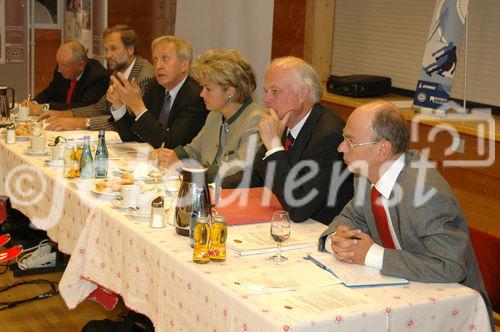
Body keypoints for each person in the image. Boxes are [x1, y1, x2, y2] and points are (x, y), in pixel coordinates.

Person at [318, 100, 493, 330]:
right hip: (399, 291)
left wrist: (373, 255)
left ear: (383, 150)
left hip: (450, 307)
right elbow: (350, 216)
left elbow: (451, 266)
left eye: (351, 141)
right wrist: (336, 240)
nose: (341, 147)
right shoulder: (365, 173)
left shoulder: (425, 193)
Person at [225, 56, 353, 225]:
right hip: (286, 220)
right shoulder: (285, 120)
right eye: (265, 91)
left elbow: (299, 207)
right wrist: (212, 187)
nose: (266, 99)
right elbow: (256, 175)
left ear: (302, 94)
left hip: (319, 231)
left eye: (275, 91)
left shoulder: (328, 136)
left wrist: (274, 146)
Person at [154, 49, 264, 182]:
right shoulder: (215, 114)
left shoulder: (255, 119)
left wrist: (192, 168)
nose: (201, 94)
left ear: (230, 91)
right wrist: (173, 155)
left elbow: (240, 170)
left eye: (208, 89)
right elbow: (195, 149)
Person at [42, 25, 155, 131]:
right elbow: (100, 108)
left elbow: (127, 121)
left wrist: (79, 123)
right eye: (106, 50)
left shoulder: (144, 77)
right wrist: (62, 114)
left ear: (130, 49)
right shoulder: (117, 73)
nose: (108, 55)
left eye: (113, 49)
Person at [107, 35, 207, 148]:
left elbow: (171, 143)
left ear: (184, 65)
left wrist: (138, 107)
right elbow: (133, 136)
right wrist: (118, 105)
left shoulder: (196, 97)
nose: (158, 66)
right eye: (155, 60)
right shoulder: (155, 87)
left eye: (165, 59)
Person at [24, 40, 109, 113]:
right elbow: (51, 91)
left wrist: (44, 107)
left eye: (64, 65)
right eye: (59, 63)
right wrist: (34, 103)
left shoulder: (98, 76)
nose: (59, 70)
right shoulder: (62, 69)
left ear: (81, 65)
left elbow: (83, 107)